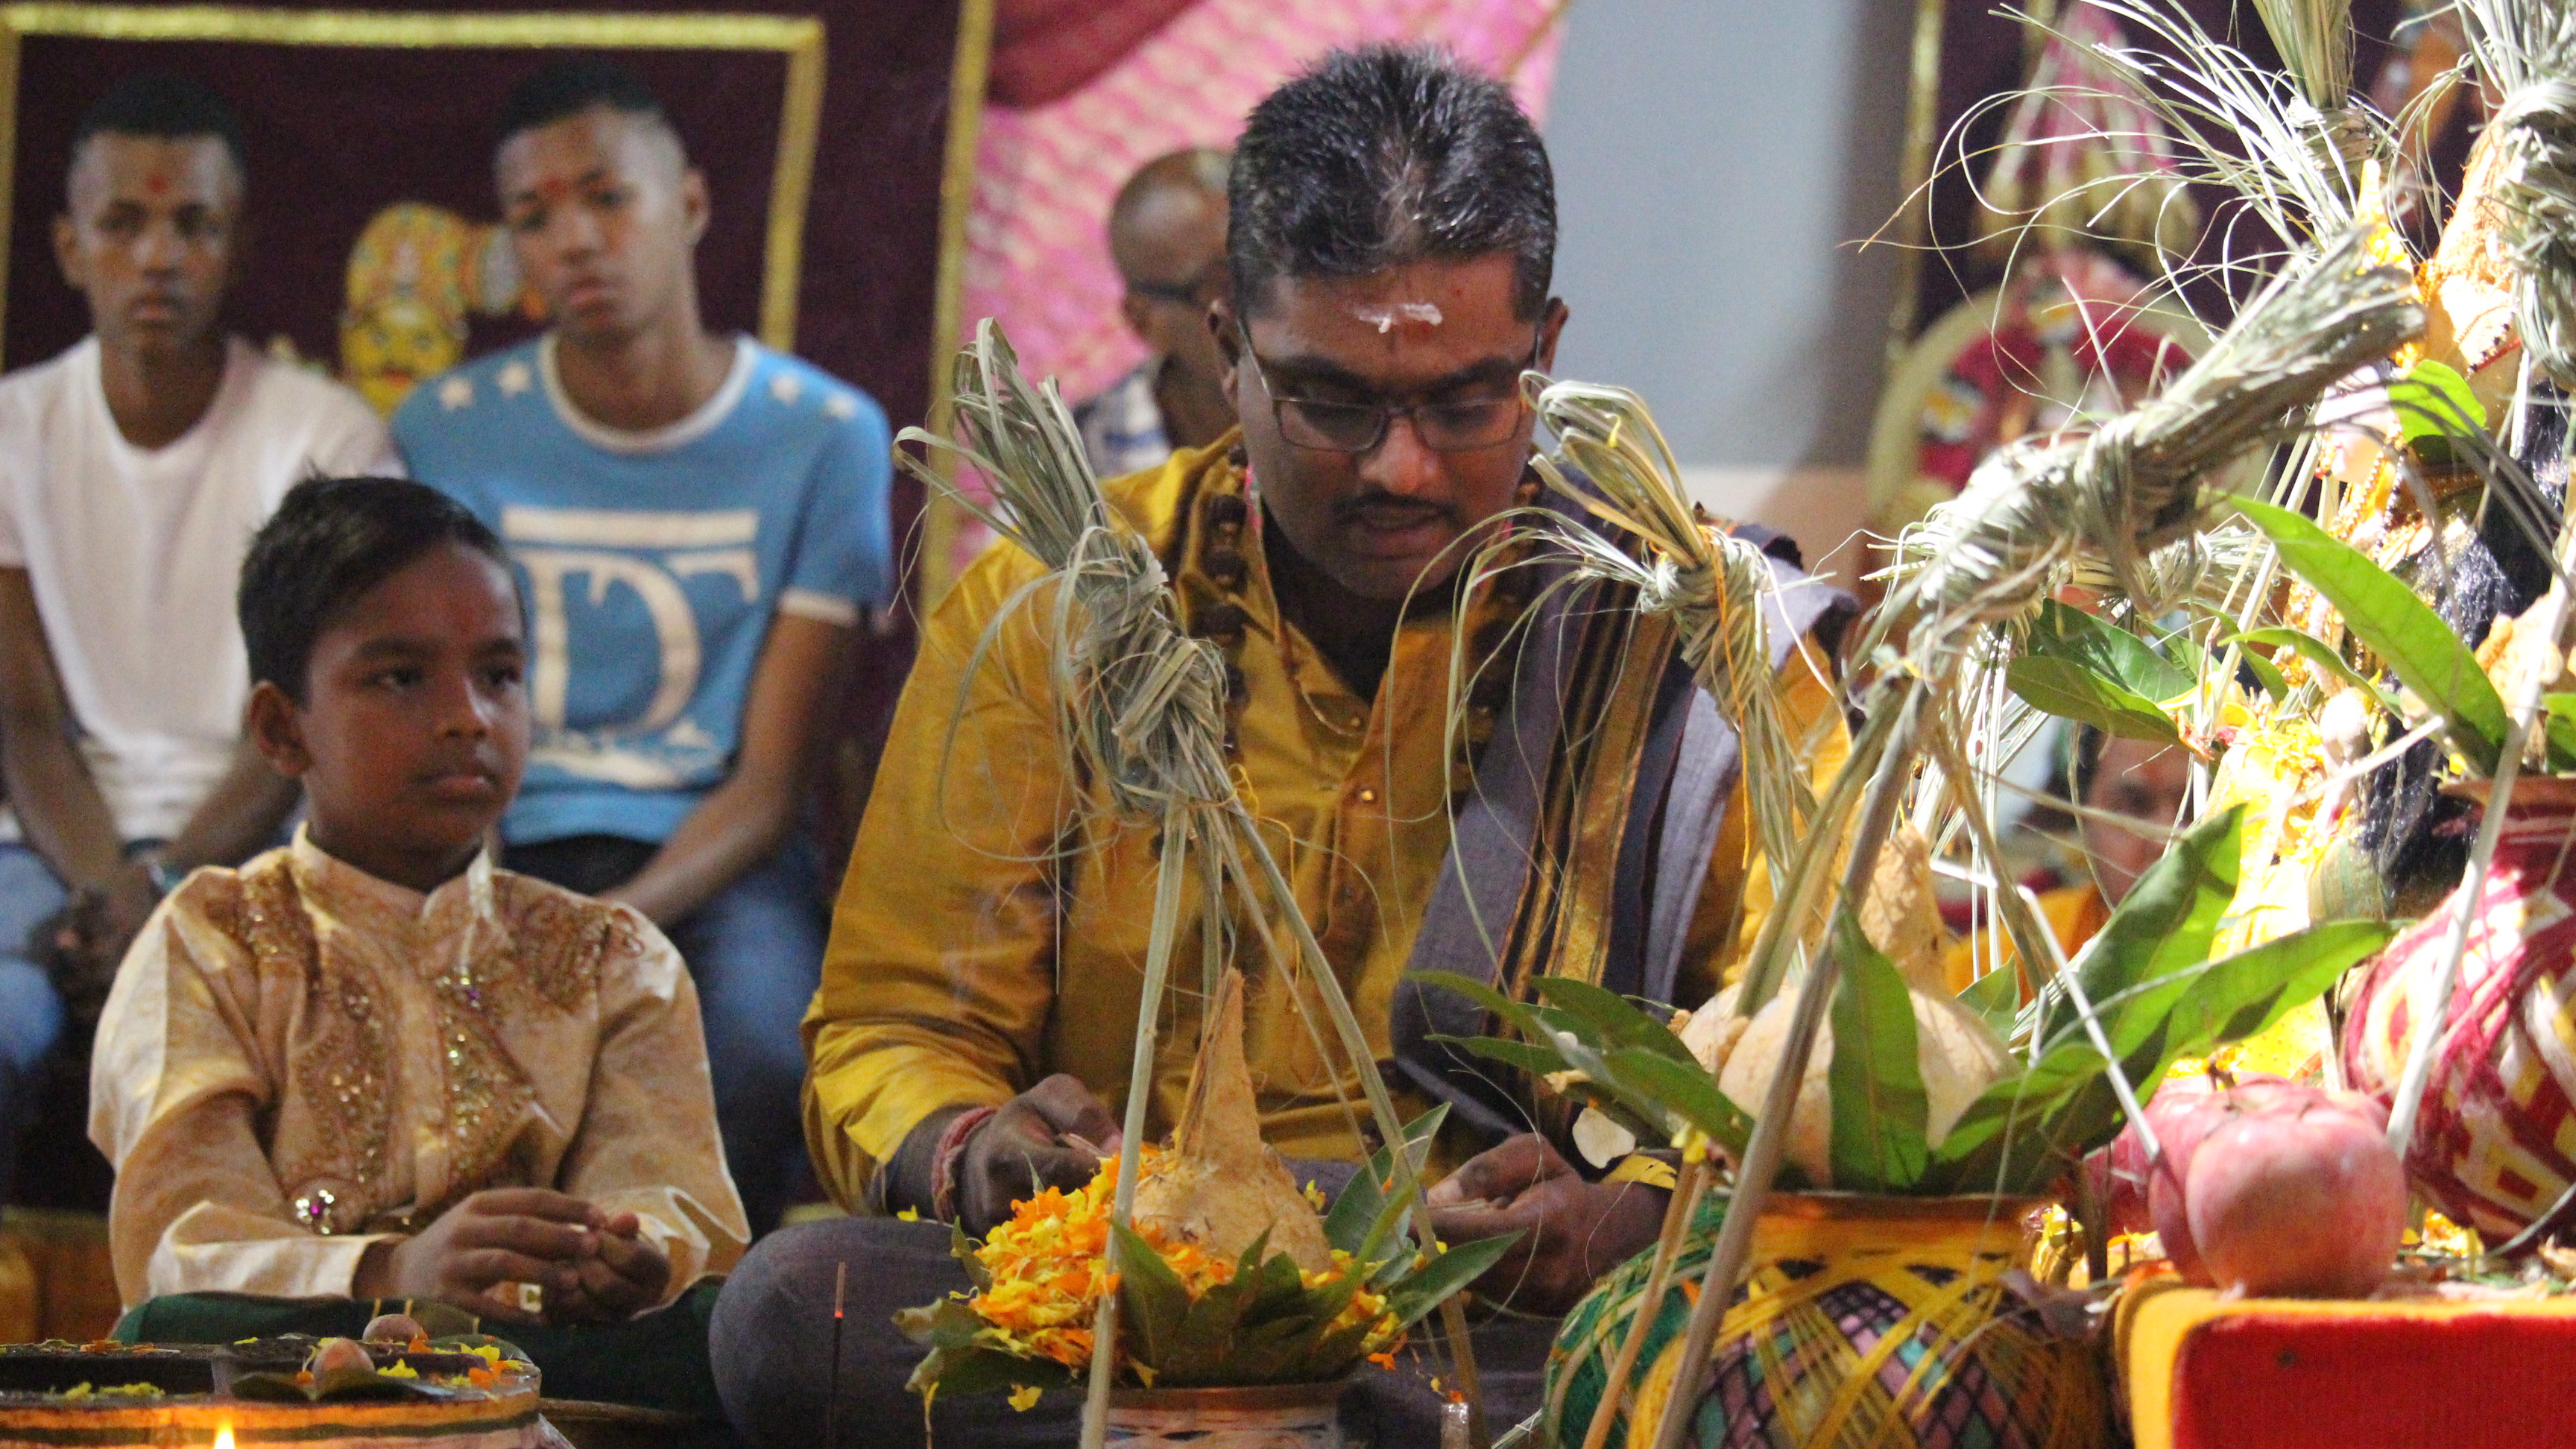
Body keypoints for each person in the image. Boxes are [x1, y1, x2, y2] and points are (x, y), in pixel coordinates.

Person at [710, 46, 1851, 1449]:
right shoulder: (1057, 606)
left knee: (1823, 1346)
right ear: (1225, 347)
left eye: (1462, 400)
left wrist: (1647, 1203)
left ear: (1545, 354)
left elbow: (1828, 1029)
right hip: (1145, 1301)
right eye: (1329, 400)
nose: (1400, 466)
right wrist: (976, 1149)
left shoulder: (1696, 628)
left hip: (1523, 1304)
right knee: (796, 1304)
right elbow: (894, 1027)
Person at [92, 476, 748, 1435]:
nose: (469, 717)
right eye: (401, 677)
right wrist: (393, 1276)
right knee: (170, 1324)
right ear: (281, 728)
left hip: (540, 1359)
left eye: (499, 675)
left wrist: (624, 1257)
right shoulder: (213, 936)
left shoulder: (613, 957)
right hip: (297, 1368)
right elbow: (184, 1242)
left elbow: (671, 1202)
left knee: (744, 1322)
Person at [393, 60, 894, 1236]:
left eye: (609, 198)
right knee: (425, 1061)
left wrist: (607, 928)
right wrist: (499, 909)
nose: (574, 239)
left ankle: (695, 1357)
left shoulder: (825, 438)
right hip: (492, 837)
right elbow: (434, 719)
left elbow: (770, 788)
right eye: (535, 216)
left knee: (764, 1052)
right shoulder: (449, 430)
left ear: (694, 206)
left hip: (718, 859)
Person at [0, 73, 393, 1205]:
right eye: (124, 224)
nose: (158, 256)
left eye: (193, 224)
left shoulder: (324, 434)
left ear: (238, 245)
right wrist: (109, 895)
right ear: (71, 247)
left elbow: (311, 717)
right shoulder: (19, 430)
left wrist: (169, 889)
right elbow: (24, 718)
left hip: (262, 847)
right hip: (52, 856)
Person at [1942, 724, 2192, 992]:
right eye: (2133, 806)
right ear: (2081, 813)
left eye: (2199, 805)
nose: (2166, 841)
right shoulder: (2012, 963)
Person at [1075, 147, 1237, 478]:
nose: (1271, 304)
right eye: (1224, 286)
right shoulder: (1075, 465)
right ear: (1145, 322)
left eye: (1276, 268)